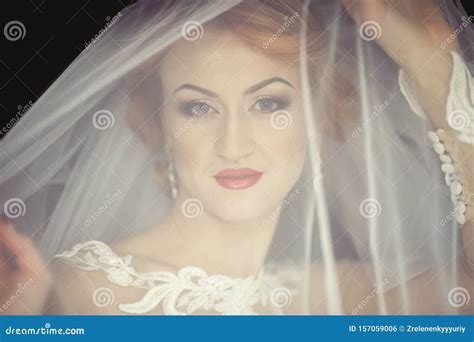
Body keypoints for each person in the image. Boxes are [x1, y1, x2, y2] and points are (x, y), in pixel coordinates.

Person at [0, 0, 473, 315]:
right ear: (160, 123)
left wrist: (431, 67)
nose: (234, 144)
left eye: (268, 104)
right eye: (199, 108)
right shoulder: (78, 293)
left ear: (315, 115)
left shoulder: (337, 296)